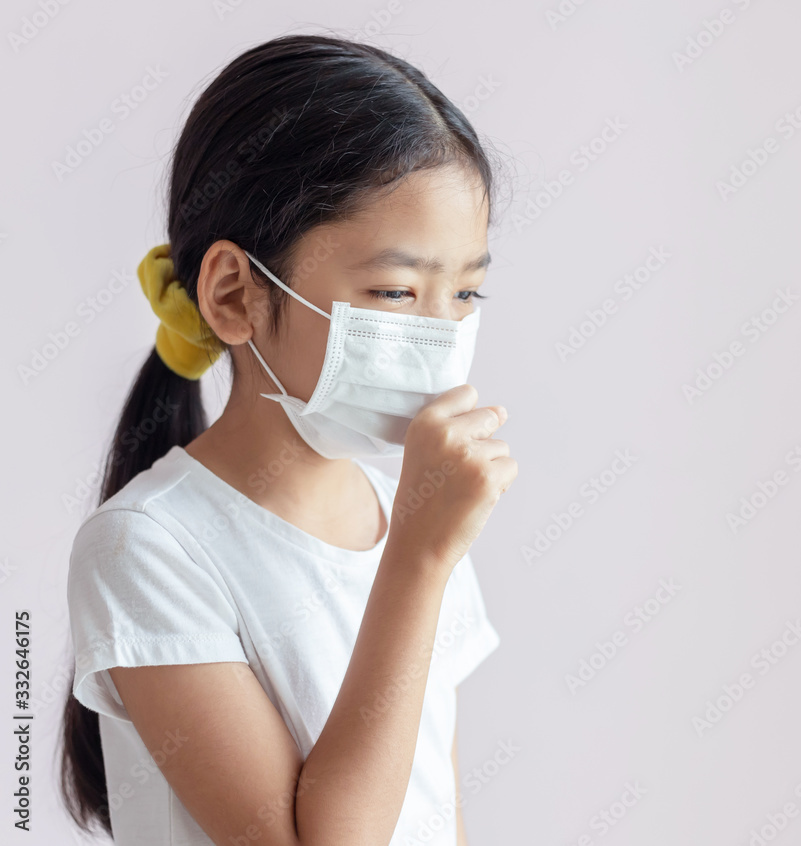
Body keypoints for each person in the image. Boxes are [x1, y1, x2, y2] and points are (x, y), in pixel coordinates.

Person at [58, 32, 517, 846]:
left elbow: (434, 811)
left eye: (466, 293)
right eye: (396, 291)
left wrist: (417, 539)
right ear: (235, 293)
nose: (442, 334)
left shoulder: (405, 512)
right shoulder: (148, 549)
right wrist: (417, 557)